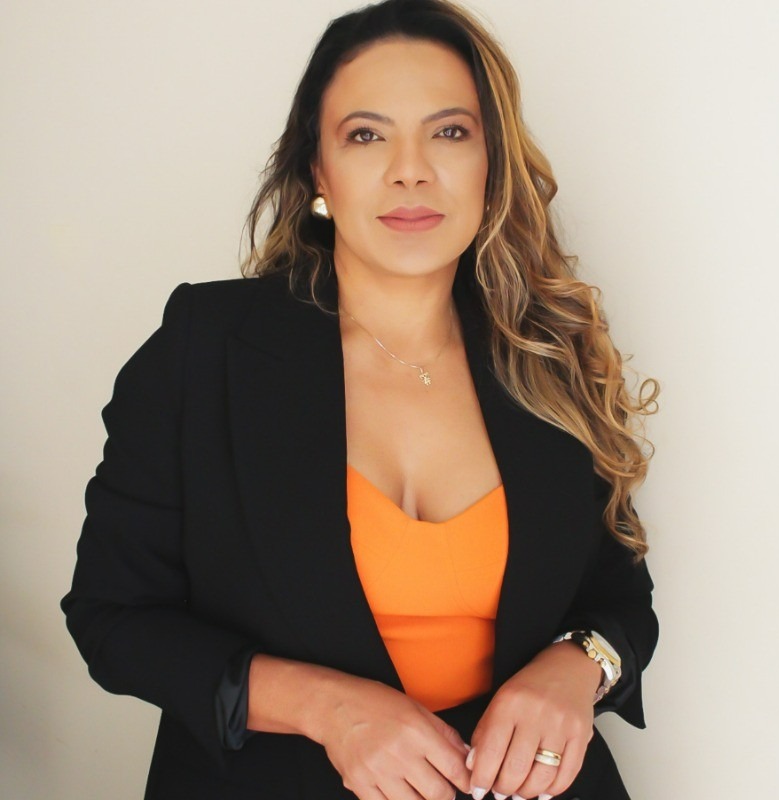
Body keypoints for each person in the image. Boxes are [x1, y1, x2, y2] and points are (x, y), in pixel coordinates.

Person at [61, 1, 659, 798]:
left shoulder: (548, 353)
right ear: (318, 171)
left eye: (450, 132)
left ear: (492, 163)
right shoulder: (206, 347)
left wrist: (577, 668)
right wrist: (328, 709)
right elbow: (113, 617)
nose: (411, 170)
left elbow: (621, 599)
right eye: (367, 135)